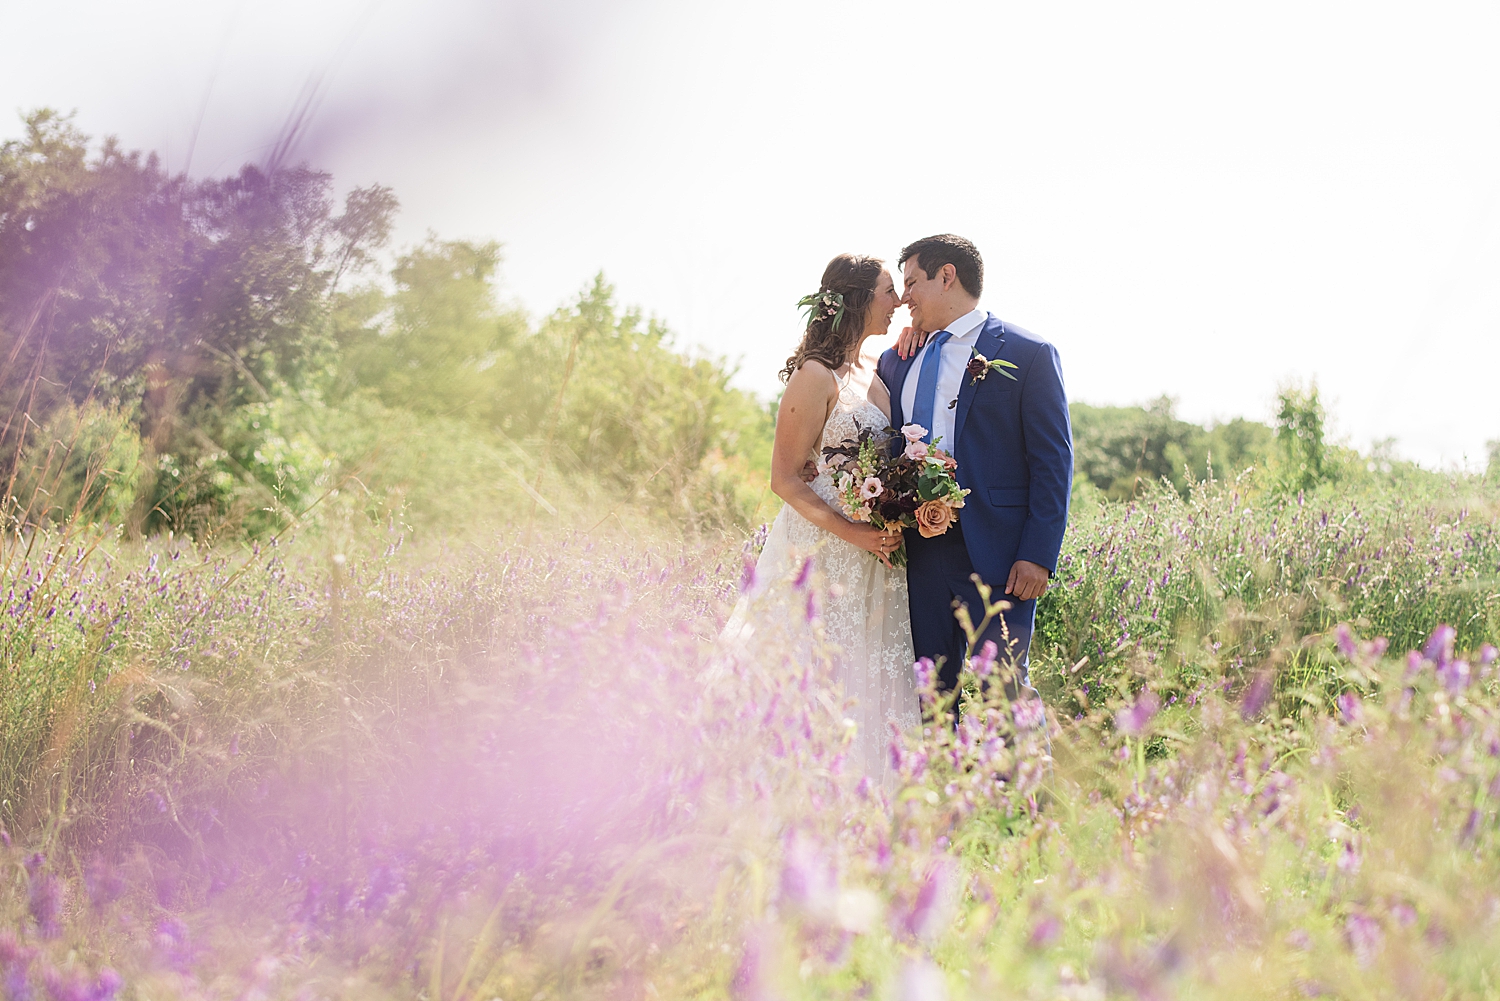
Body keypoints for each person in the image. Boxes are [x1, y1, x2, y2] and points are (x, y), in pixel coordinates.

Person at [725, 253, 918, 789]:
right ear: (858, 299)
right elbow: (785, 479)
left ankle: (871, 807)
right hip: (826, 550)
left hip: (875, 557)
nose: (898, 300)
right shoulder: (815, 375)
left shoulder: (875, 370)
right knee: (820, 675)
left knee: (869, 679)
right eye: (887, 291)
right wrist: (854, 530)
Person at [876, 234, 1073, 716]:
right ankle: (943, 791)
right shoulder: (896, 360)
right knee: (928, 697)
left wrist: (1038, 554)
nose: (904, 298)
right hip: (919, 558)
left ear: (947, 276)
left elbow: (1053, 461)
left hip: (1002, 558)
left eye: (912, 283)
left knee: (1004, 691)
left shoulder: (1030, 354)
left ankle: (1021, 793)